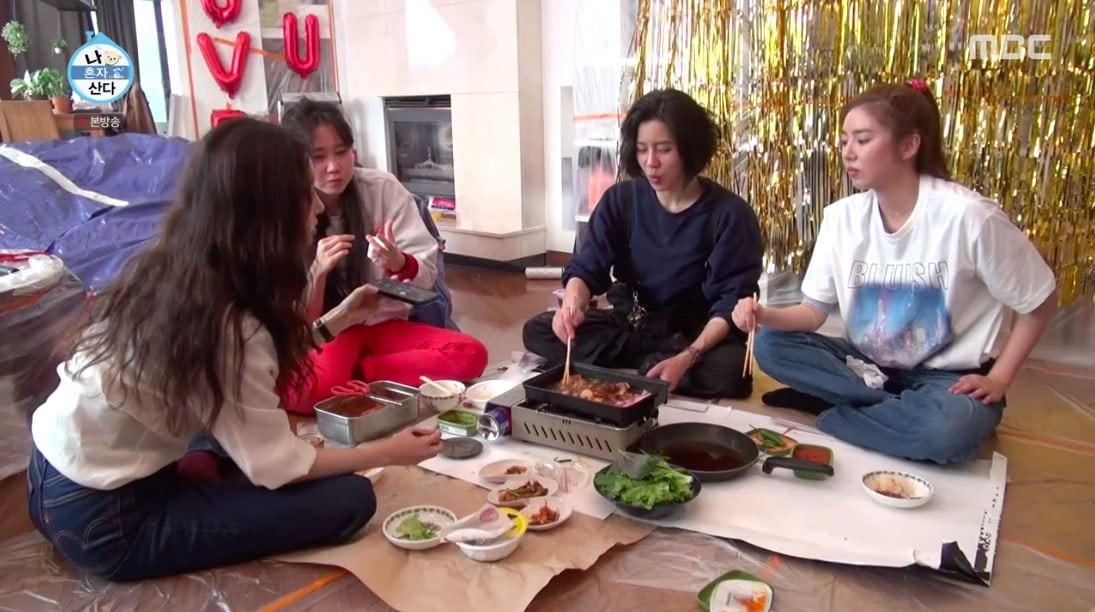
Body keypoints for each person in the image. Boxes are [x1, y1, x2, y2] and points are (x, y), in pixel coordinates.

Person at [26, 119, 443, 582]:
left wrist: (339, 319)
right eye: (303, 192)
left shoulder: (175, 264)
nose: (315, 206)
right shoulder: (230, 319)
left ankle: (207, 473)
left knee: (228, 441)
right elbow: (278, 466)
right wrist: (387, 451)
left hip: (48, 479)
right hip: (110, 522)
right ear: (268, 212)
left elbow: (246, 361)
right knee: (350, 500)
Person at [732, 79, 1057, 465]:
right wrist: (763, 315)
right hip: (866, 366)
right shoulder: (842, 218)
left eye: (862, 140)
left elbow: (1040, 300)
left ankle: (838, 411)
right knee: (771, 344)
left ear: (908, 145)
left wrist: (999, 378)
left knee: (948, 429)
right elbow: (813, 313)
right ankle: (885, 413)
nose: (848, 152)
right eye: (844, 141)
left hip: (948, 379)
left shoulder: (968, 217)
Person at [523, 88, 764, 398]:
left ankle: (657, 365)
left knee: (733, 372)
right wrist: (571, 305)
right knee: (540, 330)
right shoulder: (621, 199)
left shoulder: (729, 214)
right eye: (641, 149)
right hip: (632, 324)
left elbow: (730, 302)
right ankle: (650, 366)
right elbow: (587, 267)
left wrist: (689, 355)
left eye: (664, 149)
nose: (651, 162)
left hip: (693, 333)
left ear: (690, 148)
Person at [280, 100, 488, 412]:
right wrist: (317, 273)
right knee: (301, 393)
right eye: (318, 157)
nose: (333, 166)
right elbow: (300, 326)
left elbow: (427, 274)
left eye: (341, 152)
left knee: (471, 354)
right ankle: (355, 375)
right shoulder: (285, 207)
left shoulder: (380, 188)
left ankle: (361, 375)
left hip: (383, 328)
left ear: (353, 152)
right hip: (328, 333)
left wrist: (399, 262)